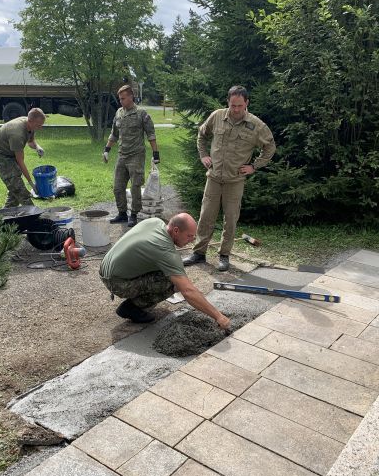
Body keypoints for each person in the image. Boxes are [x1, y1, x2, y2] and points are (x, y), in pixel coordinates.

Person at [183, 85, 276, 272]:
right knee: (206, 216)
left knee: (231, 219)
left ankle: (224, 255)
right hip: (214, 178)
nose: (236, 109)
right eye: (233, 105)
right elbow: (202, 135)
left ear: (247, 103)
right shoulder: (217, 116)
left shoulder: (256, 125)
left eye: (240, 105)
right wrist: (203, 155)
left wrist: (254, 166)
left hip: (235, 181)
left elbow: (270, 147)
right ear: (228, 102)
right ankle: (199, 253)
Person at [99, 213, 231, 330]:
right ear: (176, 230)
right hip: (117, 283)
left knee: (170, 272)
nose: (191, 240)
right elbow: (188, 291)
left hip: (105, 268)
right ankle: (132, 308)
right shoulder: (165, 252)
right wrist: (218, 316)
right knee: (172, 283)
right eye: (189, 236)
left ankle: (133, 298)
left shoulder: (155, 222)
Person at [102, 85, 159, 228]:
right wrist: (107, 150)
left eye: (123, 98)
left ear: (131, 97)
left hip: (136, 155)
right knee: (118, 187)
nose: (120, 101)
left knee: (135, 186)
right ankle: (122, 213)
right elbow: (114, 134)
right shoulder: (119, 113)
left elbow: (151, 134)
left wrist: (155, 153)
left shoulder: (141, 113)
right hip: (122, 155)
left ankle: (134, 214)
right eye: (119, 99)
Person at [0, 108, 46, 208]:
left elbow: (30, 141)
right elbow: (20, 161)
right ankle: (34, 215)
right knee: (19, 190)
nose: (40, 128)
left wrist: (37, 147)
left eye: (41, 125)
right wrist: (31, 183)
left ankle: (7, 214)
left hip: (10, 152)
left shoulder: (30, 124)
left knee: (14, 189)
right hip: (1, 156)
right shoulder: (17, 134)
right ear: (30, 121)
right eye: (38, 125)